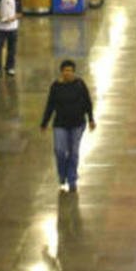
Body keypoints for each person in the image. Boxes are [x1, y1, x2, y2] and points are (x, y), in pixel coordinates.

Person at [40, 60, 95, 193]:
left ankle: (72, 179)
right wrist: (44, 122)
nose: (68, 73)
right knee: (59, 150)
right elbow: (50, 105)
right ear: (61, 72)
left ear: (74, 72)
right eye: (65, 71)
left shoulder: (80, 85)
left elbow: (87, 102)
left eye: (70, 71)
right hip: (60, 124)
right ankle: (62, 175)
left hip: (77, 125)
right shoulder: (56, 87)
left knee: (73, 152)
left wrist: (91, 119)